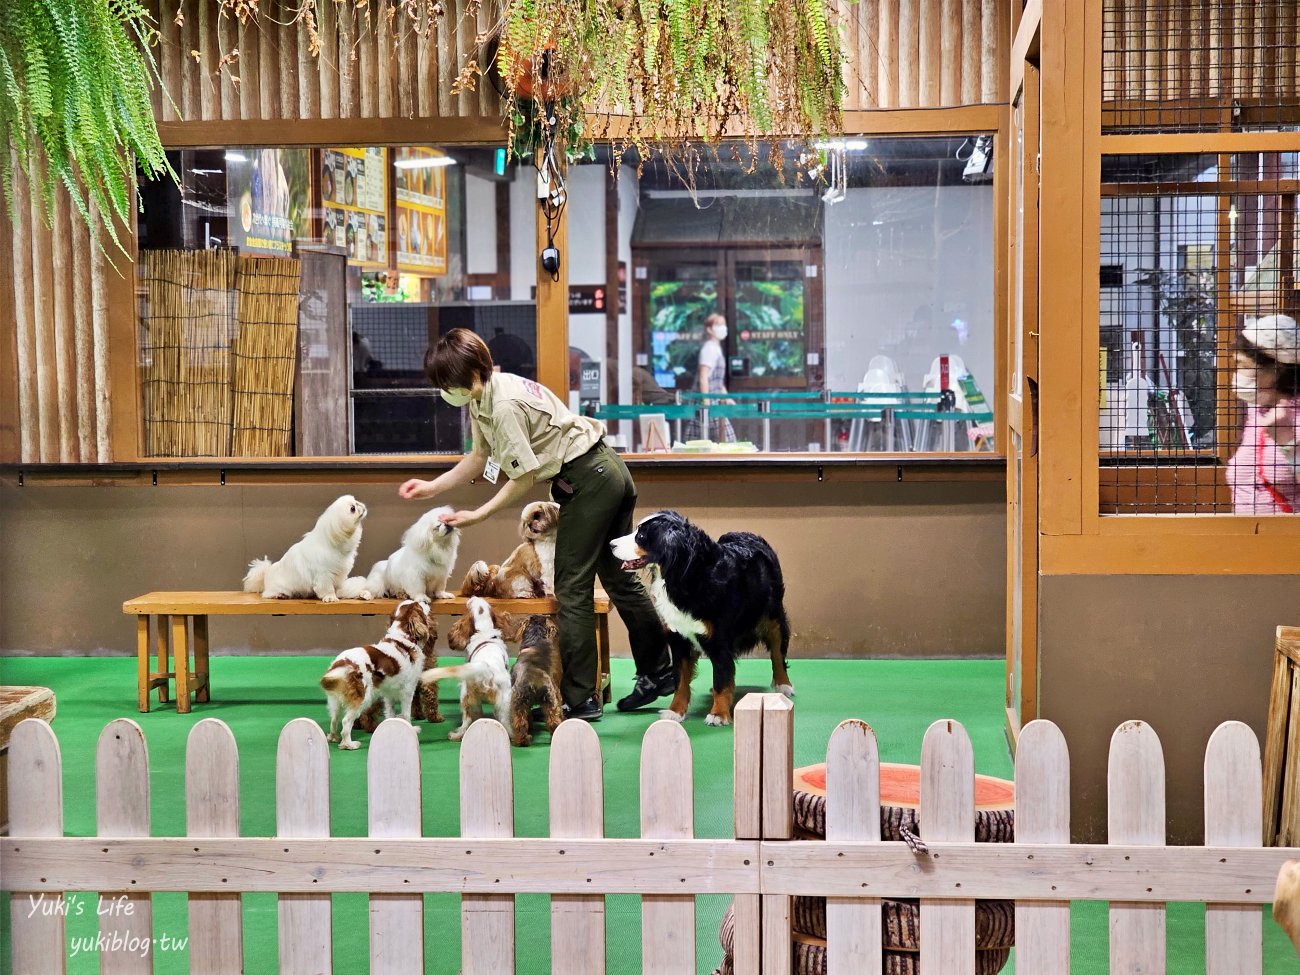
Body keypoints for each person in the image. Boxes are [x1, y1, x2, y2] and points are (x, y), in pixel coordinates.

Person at [399, 329, 676, 719]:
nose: (446, 391)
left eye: (448, 383)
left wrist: (478, 515)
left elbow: (524, 476)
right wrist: (432, 487)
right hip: (606, 471)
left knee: (571, 586)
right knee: (617, 577)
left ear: (471, 375)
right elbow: (480, 457)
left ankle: (581, 697)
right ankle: (659, 671)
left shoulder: (505, 405)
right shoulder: (484, 397)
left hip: (590, 478)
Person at [1227, 313, 1300, 514]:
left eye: (1245, 365)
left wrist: (1288, 443)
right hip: (1248, 540)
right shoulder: (1257, 409)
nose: (1237, 373)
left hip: (1288, 541)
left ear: (1277, 369)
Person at [685, 313, 737, 442]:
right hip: (707, 402)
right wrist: (706, 403)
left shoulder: (716, 348)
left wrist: (726, 397)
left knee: (711, 441)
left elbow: (717, 380)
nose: (723, 328)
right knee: (723, 441)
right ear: (709, 329)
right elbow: (703, 377)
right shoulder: (709, 349)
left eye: (723, 324)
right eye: (718, 324)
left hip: (714, 401)